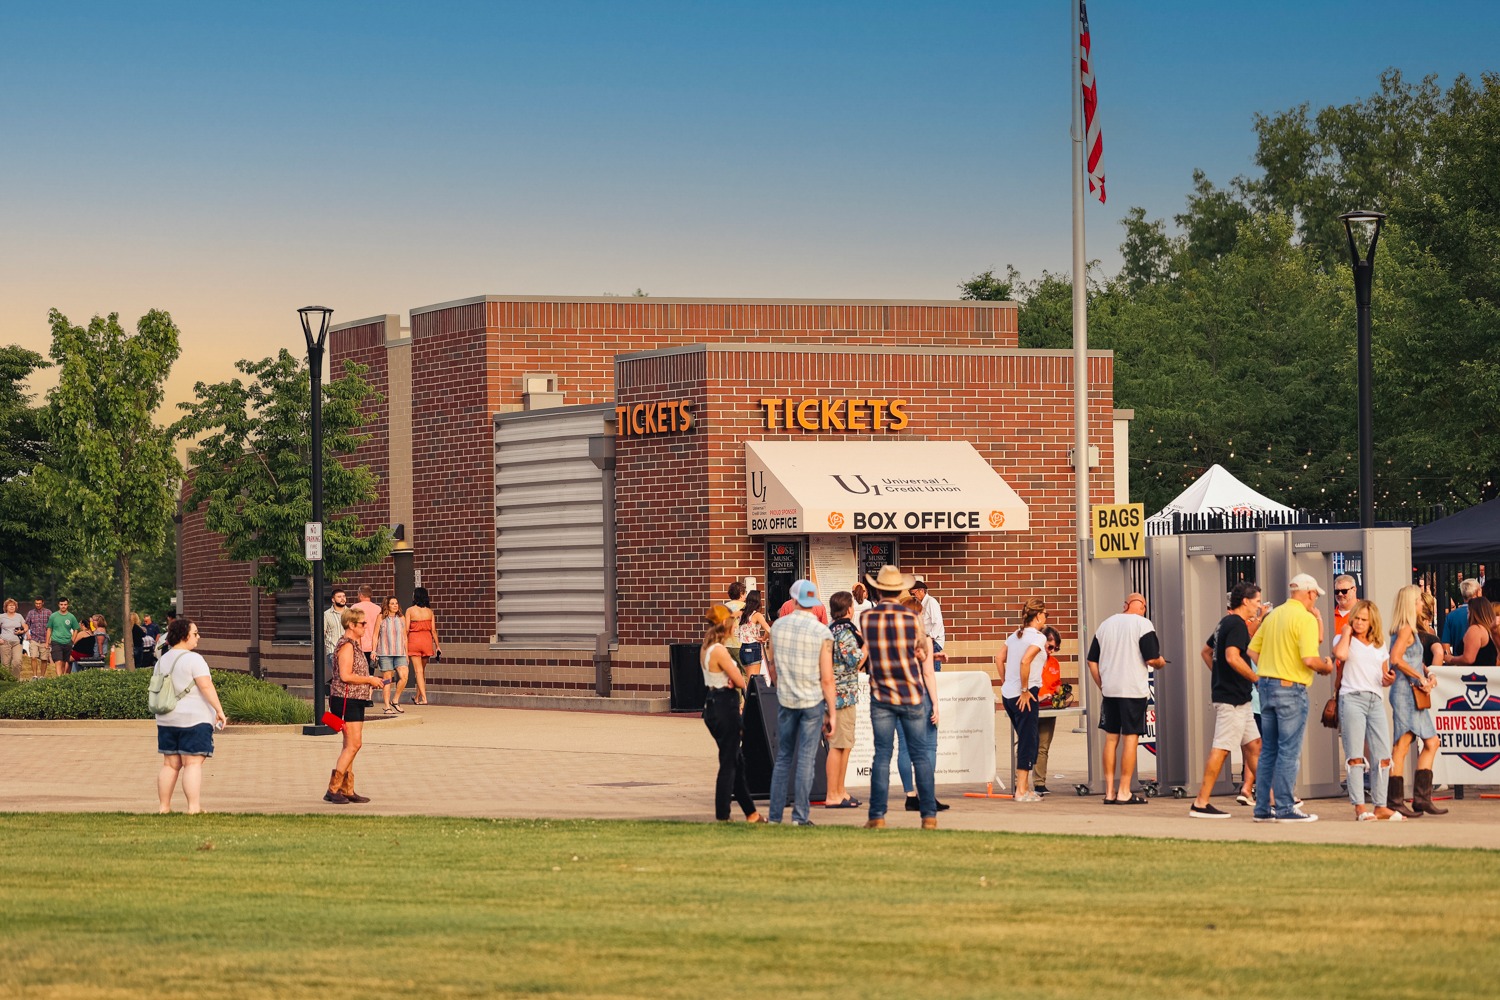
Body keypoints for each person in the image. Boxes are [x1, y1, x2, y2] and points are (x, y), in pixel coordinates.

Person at [1247, 573, 1332, 823]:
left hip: (1266, 685)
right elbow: (1309, 659)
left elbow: (1252, 650)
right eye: (1315, 594)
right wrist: (1325, 666)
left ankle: (1263, 808)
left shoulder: (1274, 616)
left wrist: (1271, 669)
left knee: (1269, 750)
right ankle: (1285, 807)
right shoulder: (1304, 618)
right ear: (1309, 593)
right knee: (1288, 751)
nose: (1314, 599)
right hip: (1290, 687)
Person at [861, 565, 940, 830]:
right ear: (898, 590)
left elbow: (869, 651)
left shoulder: (868, 618)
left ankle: (877, 815)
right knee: (920, 754)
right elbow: (921, 652)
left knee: (882, 755)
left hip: (881, 693)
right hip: (910, 692)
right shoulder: (911, 619)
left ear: (878, 589)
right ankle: (928, 815)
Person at [1189, 582, 1265, 819]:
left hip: (1237, 699)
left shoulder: (1225, 622)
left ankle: (1270, 798)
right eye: (1257, 601)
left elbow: (1205, 651)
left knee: (1254, 746)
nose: (1259, 606)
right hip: (1232, 700)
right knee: (1221, 749)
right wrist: (1255, 679)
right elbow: (1232, 657)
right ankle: (1201, 802)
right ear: (1245, 601)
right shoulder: (1238, 625)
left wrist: (1219, 674)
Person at [765, 580, 836, 826]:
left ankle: (775, 816)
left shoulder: (778, 627)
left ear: (793, 600)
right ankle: (800, 816)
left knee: (784, 756)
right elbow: (827, 678)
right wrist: (832, 712)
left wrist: (779, 686)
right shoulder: (822, 631)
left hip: (786, 699)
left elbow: (772, 666)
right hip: (812, 700)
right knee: (806, 758)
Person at [1087, 592, 1167, 805]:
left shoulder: (1105, 625)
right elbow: (1151, 657)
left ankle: (1110, 792)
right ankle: (1124, 791)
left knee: (1111, 738)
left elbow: (1091, 661)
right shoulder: (1143, 625)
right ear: (1142, 607)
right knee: (1131, 738)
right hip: (1132, 690)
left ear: (1125, 605)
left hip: (1110, 690)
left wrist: (1102, 684)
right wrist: (1160, 662)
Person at [1332, 599, 1400, 821]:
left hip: (1375, 699)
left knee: (1383, 754)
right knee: (1355, 754)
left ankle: (1380, 804)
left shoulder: (1380, 645)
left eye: (1364, 619)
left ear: (1372, 622)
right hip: (1351, 698)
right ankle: (1360, 806)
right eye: (1356, 618)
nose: (1359, 623)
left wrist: (1389, 679)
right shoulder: (1345, 639)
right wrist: (1346, 631)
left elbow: (1383, 677)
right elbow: (1340, 656)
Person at [153, 617, 226, 814]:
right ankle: (193, 808)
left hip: (166, 719)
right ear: (185, 636)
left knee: (170, 764)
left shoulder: (162, 661)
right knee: (192, 763)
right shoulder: (194, 659)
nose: (198, 637)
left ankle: (164, 807)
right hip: (194, 719)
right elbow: (205, 686)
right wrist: (219, 711)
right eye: (195, 633)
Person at [699, 605, 763, 823]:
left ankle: (751, 813)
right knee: (729, 762)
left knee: (736, 760)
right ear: (725, 625)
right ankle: (723, 814)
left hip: (712, 705)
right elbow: (738, 678)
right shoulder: (719, 650)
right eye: (731, 622)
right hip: (725, 706)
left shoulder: (706, 648)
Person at [1387, 585, 1447, 818]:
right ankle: (1396, 801)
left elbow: (1412, 659)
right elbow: (1396, 659)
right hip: (1405, 692)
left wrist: (1427, 673)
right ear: (1410, 604)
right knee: (1402, 746)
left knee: (1431, 742)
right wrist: (1420, 677)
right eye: (1418, 601)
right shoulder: (1405, 630)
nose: (1422, 604)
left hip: (1412, 692)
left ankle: (1421, 798)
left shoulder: (1408, 630)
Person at [325, 607, 389, 804]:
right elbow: (345, 676)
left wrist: (371, 680)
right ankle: (333, 789)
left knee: (350, 745)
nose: (365, 626)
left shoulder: (355, 644)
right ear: (351, 625)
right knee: (354, 744)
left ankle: (347, 789)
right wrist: (369, 680)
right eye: (362, 624)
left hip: (355, 698)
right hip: (346, 699)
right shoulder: (346, 646)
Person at [999, 598, 1047, 803]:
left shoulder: (1013, 636)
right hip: (1024, 694)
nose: (1046, 618)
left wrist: (1007, 681)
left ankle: (1025, 788)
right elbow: (1025, 660)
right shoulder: (1038, 638)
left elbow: (998, 658)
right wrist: (1025, 689)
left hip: (1009, 693)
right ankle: (1021, 791)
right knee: (1028, 740)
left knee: (1030, 738)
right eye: (1045, 614)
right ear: (1038, 616)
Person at [825, 590, 867, 809]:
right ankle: (833, 793)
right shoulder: (845, 633)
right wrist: (867, 644)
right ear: (849, 609)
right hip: (842, 695)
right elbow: (855, 661)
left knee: (845, 744)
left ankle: (840, 790)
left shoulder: (830, 629)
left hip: (839, 694)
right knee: (839, 745)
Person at [1033, 625, 1065, 795]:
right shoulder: (1031, 659)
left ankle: (1039, 783)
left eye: (1056, 648)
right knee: (1027, 745)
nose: (1052, 651)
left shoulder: (1054, 663)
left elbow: (1056, 684)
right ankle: (1019, 782)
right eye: (1050, 647)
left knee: (1043, 747)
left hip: (1049, 708)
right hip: (1031, 706)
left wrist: (1062, 693)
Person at [375, 597, 410, 714]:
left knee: (404, 676)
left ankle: (395, 700)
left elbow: (405, 637)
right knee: (387, 680)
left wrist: (407, 653)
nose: (395, 605)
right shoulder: (381, 618)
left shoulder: (401, 618)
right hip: (385, 652)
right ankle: (386, 706)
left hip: (400, 652)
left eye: (396, 603)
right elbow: (375, 636)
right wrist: (373, 651)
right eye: (392, 603)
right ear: (387, 605)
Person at [405, 586, 439, 704]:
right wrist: (437, 646)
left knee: (418, 671)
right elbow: (433, 631)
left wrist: (404, 644)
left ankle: (424, 698)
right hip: (427, 640)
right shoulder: (430, 612)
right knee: (422, 671)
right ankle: (417, 697)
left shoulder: (410, 610)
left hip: (414, 641)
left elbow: (406, 629)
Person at [912, 579, 945, 669]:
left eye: (913, 593)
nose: (913, 596)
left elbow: (937, 622)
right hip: (926, 641)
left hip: (933, 641)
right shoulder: (921, 603)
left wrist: (930, 638)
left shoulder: (931, 602)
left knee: (932, 671)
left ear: (921, 591)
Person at [735, 589, 770, 675]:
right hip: (754, 647)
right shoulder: (757, 615)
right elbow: (769, 630)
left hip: (742, 648)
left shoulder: (740, 613)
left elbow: (727, 618)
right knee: (753, 680)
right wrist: (764, 638)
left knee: (746, 679)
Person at [1441, 579, 1481, 652]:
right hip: (1481, 661)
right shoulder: (1483, 613)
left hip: (1458, 660)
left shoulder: (1451, 616)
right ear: (1477, 592)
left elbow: (1445, 643)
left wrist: (1450, 660)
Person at [48, 598, 80, 677]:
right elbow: (49, 629)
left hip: (67, 642)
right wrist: (47, 642)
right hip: (56, 641)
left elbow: (76, 629)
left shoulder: (71, 617)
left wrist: (73, 639)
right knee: (58, 661)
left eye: (65, 605)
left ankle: (62, 678)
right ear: (58, 605)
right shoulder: (53, 616)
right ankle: (59, 678)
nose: (63, 606)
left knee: (64, 662)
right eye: (61, 605)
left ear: (67, 605)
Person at [322, 589, 347, 680]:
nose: (342, 599)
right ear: (333, 600)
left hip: (348, 650)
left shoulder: (351, 613)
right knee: (339, 677)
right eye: (339, 597)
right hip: (333, 651)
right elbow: (323, 632)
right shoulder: (326, 614)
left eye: (344, 596)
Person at [351, 585, 381, 661]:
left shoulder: (355, 608)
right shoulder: (378, 609)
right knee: (371, 670)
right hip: (374, 646)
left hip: (359, 645)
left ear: (360, 594)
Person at [25, 598, 51, 679]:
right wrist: (27, 634)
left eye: (39, 603)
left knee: (44, 659)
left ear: (43, 603)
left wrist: (50, 638)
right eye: (36, 603)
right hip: (34, 638)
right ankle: (35, 676)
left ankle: (42, 676)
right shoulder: (31, 613)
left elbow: (52, 626)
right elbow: (26, 624)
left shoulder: (48, 612)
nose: (38, 605)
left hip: (44, 639)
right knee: (33, 657)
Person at [0, 599, 25, 677]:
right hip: (4, 641)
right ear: (6, 607)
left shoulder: (19, 616)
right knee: (5, 663)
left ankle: (15, 680)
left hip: (17, 642)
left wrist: (22, 631)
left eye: (13, 605)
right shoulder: (1, 616)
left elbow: (26, 626)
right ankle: (6, 681)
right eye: (10, 605)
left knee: (17, 661)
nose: (12, 607)